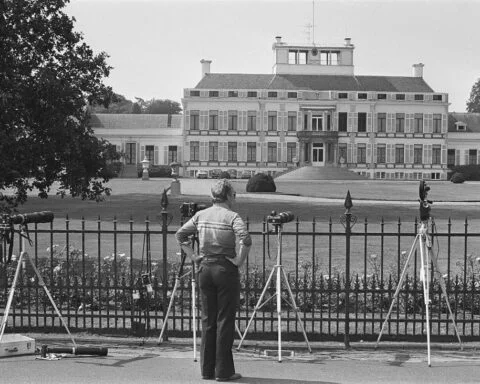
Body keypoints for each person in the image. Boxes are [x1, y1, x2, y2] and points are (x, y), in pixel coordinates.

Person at [176, 179, 251, 382]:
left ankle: (207, 370)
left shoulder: (201, 215)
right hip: (225, 269)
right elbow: (246, 239)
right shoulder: (232, 216)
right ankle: (224, 371)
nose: (235, 197)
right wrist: (238, 261)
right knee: (225, 320)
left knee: (208, 320)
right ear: (226, 196)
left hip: (205, 268)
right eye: (233, 194)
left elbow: (181, 235)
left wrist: (193, 256)